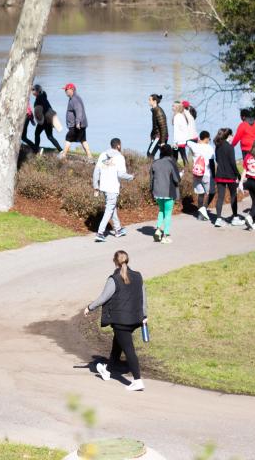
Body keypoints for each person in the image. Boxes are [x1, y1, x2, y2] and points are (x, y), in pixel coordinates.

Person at [84, 250, 148, 392]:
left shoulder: (114, 279)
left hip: (120, 321)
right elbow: (143, 297)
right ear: (127, 260)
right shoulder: (138, 276)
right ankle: (107, 370)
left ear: (115, 261)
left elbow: (103, 297)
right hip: (134, 320)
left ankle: (137, 380)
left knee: (129, 350)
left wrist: (90, 307)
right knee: (117, 345)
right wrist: (144, 314)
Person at [92, 138, 135, 242]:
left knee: (112, 207)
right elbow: (121, 174)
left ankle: (118, 229)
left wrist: (95, 186)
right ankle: (100, 233)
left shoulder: (103, 154)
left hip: (103, 187)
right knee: (109, 209)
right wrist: (131, 177)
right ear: (118, 146)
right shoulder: (120, 157)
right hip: (112, 187)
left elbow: (96, 171)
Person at [150, 144, 180, 243]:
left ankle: (158, 230)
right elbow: (177, 179)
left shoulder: (155, 163)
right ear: (170, 152)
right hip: (168, 192)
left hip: (157, 191)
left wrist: (151, 191)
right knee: (168, 213)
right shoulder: (172, 163)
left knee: (161, 210)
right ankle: (165, 235)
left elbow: (151, 179)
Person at [213, 127, 242, 227]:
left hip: (220, 175)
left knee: (220, 197)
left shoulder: (217, 146)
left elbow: (217, 160)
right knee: (233, 196)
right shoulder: (230, 147)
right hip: (230, 175)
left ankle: (218, 219)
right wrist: (238, 174)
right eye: (232, 135)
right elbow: (233, 163)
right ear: (228, 136)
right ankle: (235, 218)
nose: (233, 137)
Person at [187, 130, 215, 222]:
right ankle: (204, 209)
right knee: (211, 192)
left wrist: (197, 140)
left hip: (197, 174)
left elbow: (188, 141)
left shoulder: (195, 146)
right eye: (209, 138)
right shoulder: (210, 148)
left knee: (201, 194)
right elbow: (212, 163)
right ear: (206, 138)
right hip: (206, 174)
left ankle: (200, 215)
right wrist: (214, 175)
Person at [60, 83, 91, 158]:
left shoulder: (74, 99)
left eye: (66, 90)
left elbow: (79, 111)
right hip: (80, 124)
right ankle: (89, 156)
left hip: (76, 125)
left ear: (72, 90)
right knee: (83, 140)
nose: (65, 91)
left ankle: (63, 155)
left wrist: (77, 123)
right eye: (65, 90)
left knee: (68, 138)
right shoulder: (74, 98)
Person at [32, 85, 62, 152]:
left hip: (44, 120)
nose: (32, 91)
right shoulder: (43, 96)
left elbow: (40, 110)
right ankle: (61, 150)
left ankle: (36, 149)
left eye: (33, 90)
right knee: (50, 136)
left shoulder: (39, 98)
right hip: (48, 119)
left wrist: (39, 118)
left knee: (37, 134)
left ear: (37, 91)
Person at [172, 101, 197, 166]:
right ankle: (187, 169)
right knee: (184, 155)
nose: (172, 107)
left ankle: (181, 169)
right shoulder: (188, 113)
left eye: (173, 106)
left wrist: (176, 141)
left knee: (178, 156)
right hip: (186, 139)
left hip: (180, 141)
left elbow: (179, 130)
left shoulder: (180, 116)